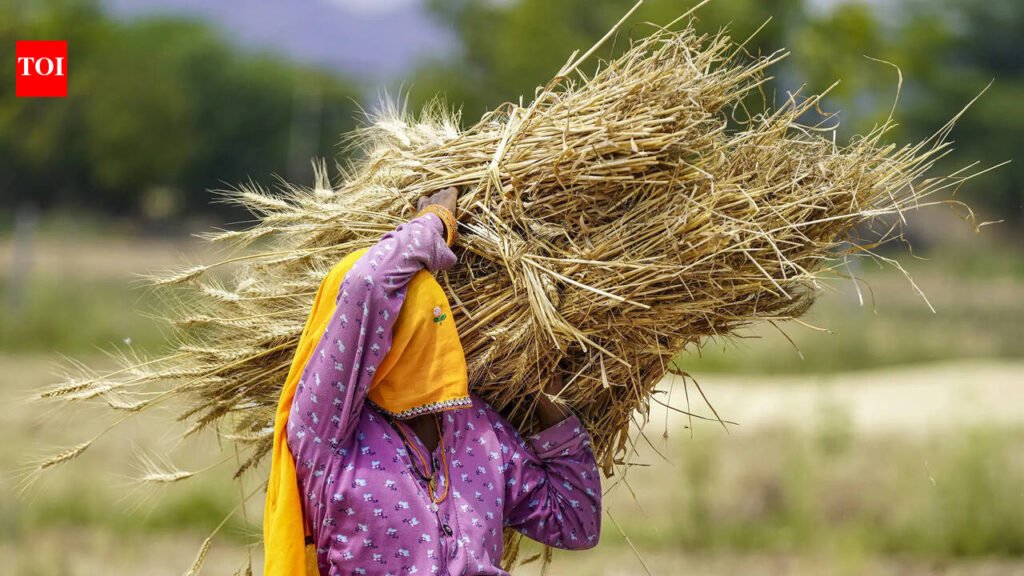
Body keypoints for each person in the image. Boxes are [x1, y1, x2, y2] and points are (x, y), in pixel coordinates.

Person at [264, 187, 602, 576]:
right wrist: (435, 223)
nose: (433, 336)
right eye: (416, 323)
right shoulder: (330, 431)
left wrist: (547, 395)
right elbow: (368, 287)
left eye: (438, 319)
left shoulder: (475, 428)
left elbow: (576, 524)